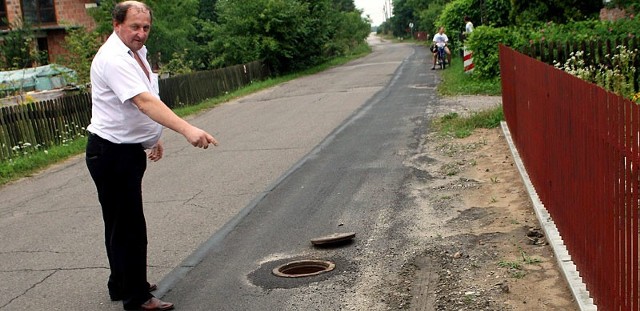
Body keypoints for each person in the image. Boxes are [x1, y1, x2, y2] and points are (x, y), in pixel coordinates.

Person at [85, 1, 218, 310]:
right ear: (117, 25)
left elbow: (143, 102)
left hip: (123, 150)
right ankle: (137, 298)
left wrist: (151, 138)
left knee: (119, 222)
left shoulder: (136, 53)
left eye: (146, 27)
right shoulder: (114, 58)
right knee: (130, 227)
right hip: (112, 153)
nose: (141, 33)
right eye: (134, 26)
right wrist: (186, 129)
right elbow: (143, 102)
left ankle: (122, 283)